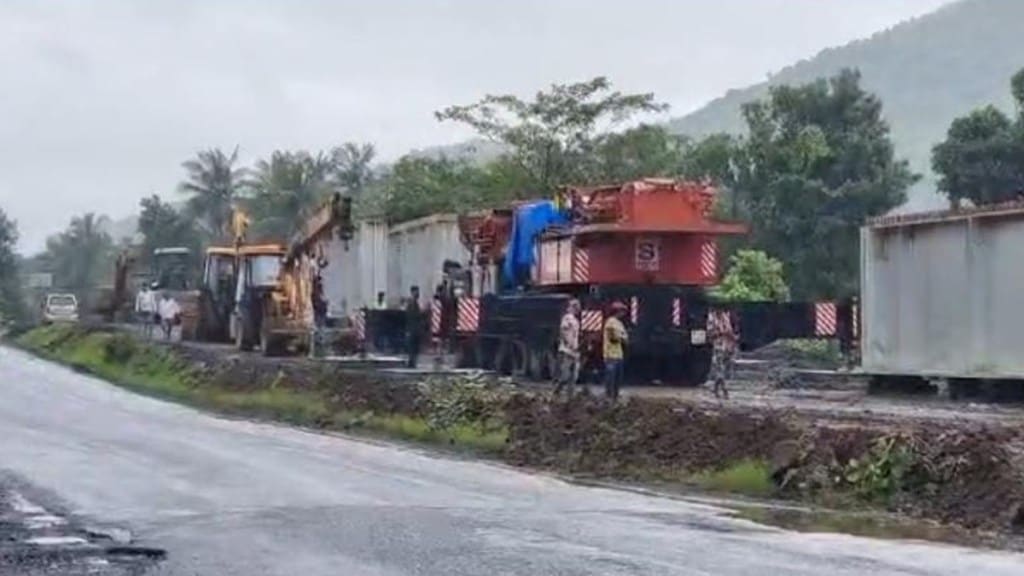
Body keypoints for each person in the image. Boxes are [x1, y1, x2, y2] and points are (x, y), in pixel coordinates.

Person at [708, 310, 739, 399]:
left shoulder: (726, 316)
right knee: (720, 369)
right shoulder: (712, 318)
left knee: (724, 369)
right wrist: (722, 332)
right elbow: (710, 334)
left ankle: (716, 388)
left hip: (728, 346)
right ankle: (725, 390)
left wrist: (732, 337)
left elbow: (731, 331)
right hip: (718, 346)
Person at [554, 299, 581, 396]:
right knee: (565, 375)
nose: (578, 309)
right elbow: (563, 331)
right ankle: (557, 391)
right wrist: (569, 343)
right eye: (576, 306)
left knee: (573, 376)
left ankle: (570, 396)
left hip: (574, 350)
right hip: (566, 350)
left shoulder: (575, 320)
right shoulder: (567, 318)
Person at [603, 301, 629, 400]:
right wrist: (622, 338)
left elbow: (625, 337)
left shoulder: (619, 323)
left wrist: (622, 338)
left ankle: (615, 397)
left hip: (618, 354)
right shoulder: (610, 322)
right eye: (622, 311)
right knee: (611, 378)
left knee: (617, 379)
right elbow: (613, 338)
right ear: (617, 311)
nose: (623, 313)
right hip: (610, 355)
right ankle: (609, 397)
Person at [404, 286, 422, 368]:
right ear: (412, 292)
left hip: (415, 328)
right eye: (416, 292)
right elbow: (410, 317)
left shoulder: (414, 303)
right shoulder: (411, 304)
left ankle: (412, 362)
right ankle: (411, 362)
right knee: (412, 346)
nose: (418, 293)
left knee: (415, 346)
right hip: (412, 328)